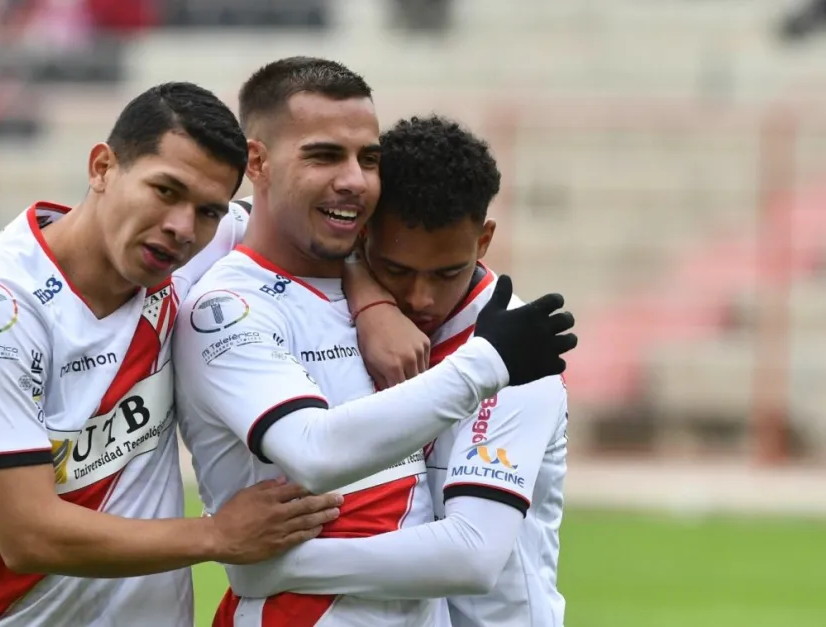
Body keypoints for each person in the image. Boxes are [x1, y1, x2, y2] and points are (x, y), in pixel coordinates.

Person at [0, 82, 346, 627]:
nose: (183, 227)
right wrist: (217, 535)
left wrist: (377, 304)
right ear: (102, 167)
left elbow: (328, 230)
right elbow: (29, 536)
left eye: (208, 210)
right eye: (165, 190)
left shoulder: (204, 242)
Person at [173, 57, 576, 626]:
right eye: (323, 155)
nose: (420, 300)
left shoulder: (512, 343)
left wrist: (276, 566)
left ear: (483, 243)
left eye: (367, 160)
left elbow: (472, 554)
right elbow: (313, 449)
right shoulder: (227, 303)